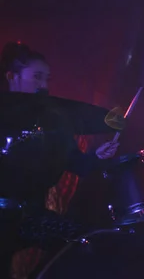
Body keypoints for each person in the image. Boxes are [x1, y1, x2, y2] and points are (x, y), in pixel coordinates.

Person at [0, 41, 119, 277]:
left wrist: (97, 156)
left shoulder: (54, 123)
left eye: (47, 79)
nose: (43, 86)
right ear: (12, 77)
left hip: (32, 216)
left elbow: (81, 165)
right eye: (36, 77)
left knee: (85, 243)